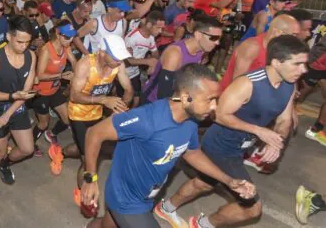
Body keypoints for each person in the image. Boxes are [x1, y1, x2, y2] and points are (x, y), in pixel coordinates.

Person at [157, 35, 308, 228]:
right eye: (297, 64)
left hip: (240, 147)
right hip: (221, 146)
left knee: (204, 182)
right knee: (252, 208)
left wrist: (276, 141)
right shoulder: (248, 83)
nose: (303, 70)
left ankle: (167, 208)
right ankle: (203, 224)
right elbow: (219, 114)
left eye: (304, 64)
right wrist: (258, 131)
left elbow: (285, 119)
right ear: (277, 62)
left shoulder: (289, 84)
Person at [81, 64, 256, 228]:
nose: (214, 107)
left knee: (108, 225)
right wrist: (90, 179)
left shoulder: (191, 121)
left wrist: (229, 181)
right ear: (187, 97)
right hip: (125, 199)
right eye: (210, 100)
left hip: (146, 197)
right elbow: (94, 133)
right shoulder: (147, 119)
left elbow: (192, 152)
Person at [66, 34, 134, 203]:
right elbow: (74, 96)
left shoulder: (118, 64)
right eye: (115, 57)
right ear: (103, 52)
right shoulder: (85, 65)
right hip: (78, 114)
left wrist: (121, 106)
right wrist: (104, 100)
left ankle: (60, 152)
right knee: (88, 158)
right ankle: (85, 194)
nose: (118, 62)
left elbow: (128, 89)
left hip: (97, 113)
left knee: (89, 148)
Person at [0, 15, 37, 199]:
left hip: (16, 107)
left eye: (28, 42)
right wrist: (11, 98)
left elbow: (26, 91)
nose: (24, 46)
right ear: (8, 37)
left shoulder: (31, 55)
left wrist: (10, 111)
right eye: (20, 41)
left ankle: (4, 164)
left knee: (27, 149)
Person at [141, 15, 223, 104]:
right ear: (198, 35)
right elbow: (163, 93)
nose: (217, 42)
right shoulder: (175, 53)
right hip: (152, 102)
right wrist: (190, 101)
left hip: (173, 100)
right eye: (213, 38)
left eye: (219, 38)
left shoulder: (200, 51)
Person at [31, 20, 77, 174]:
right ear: (58, 34)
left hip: (55, 90)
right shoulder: (46, 50)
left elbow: (74, 61)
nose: (70, 40)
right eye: (67, 37)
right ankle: (30, 144)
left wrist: (78, 72)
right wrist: (62, 75)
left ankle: (52, 134)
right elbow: (40, 75)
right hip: (41, 93)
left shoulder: (66, 47)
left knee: (67, 118)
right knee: (43, 123)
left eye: (71, 37)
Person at [220, 14, 300, 91]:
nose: (295, 39)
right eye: (293, 35)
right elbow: (237, 82)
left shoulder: (279, 48)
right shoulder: (252, 47)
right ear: (277, 32)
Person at [122, 11, 164, 106]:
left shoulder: (151, 38)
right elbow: (125, 61)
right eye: (158, 28)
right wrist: (148, 62)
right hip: (123, 72)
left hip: (135, 72)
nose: (160, 31)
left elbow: (155, 54)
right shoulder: (132, 38)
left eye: (162, 28)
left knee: (136, 99)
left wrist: (154, 65)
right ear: (149, 25)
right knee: (125, 99)